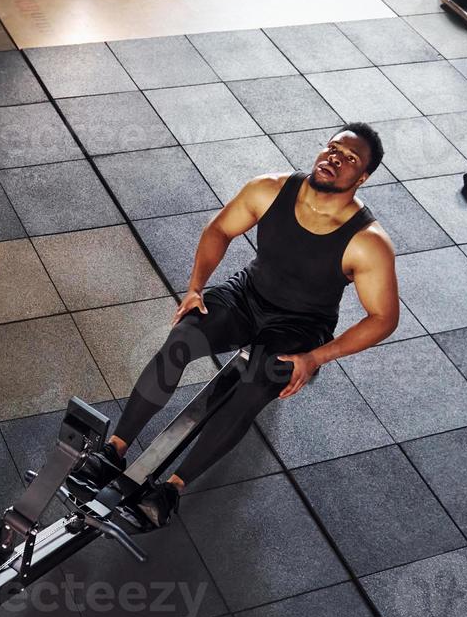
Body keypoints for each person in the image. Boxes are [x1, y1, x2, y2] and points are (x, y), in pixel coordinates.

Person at [75, 123, 401, 527]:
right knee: (181, 340)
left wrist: (315, 357)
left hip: (300, 327)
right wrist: (196, 288)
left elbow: (384, 319)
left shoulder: (368, 242)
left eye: (350, 158)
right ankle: (114, 450)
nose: (334, 157)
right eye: (333, 147)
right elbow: (219, 229)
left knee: (252, 391)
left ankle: (171, 489)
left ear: (363, 177)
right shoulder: (269, 188)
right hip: (246, 296)